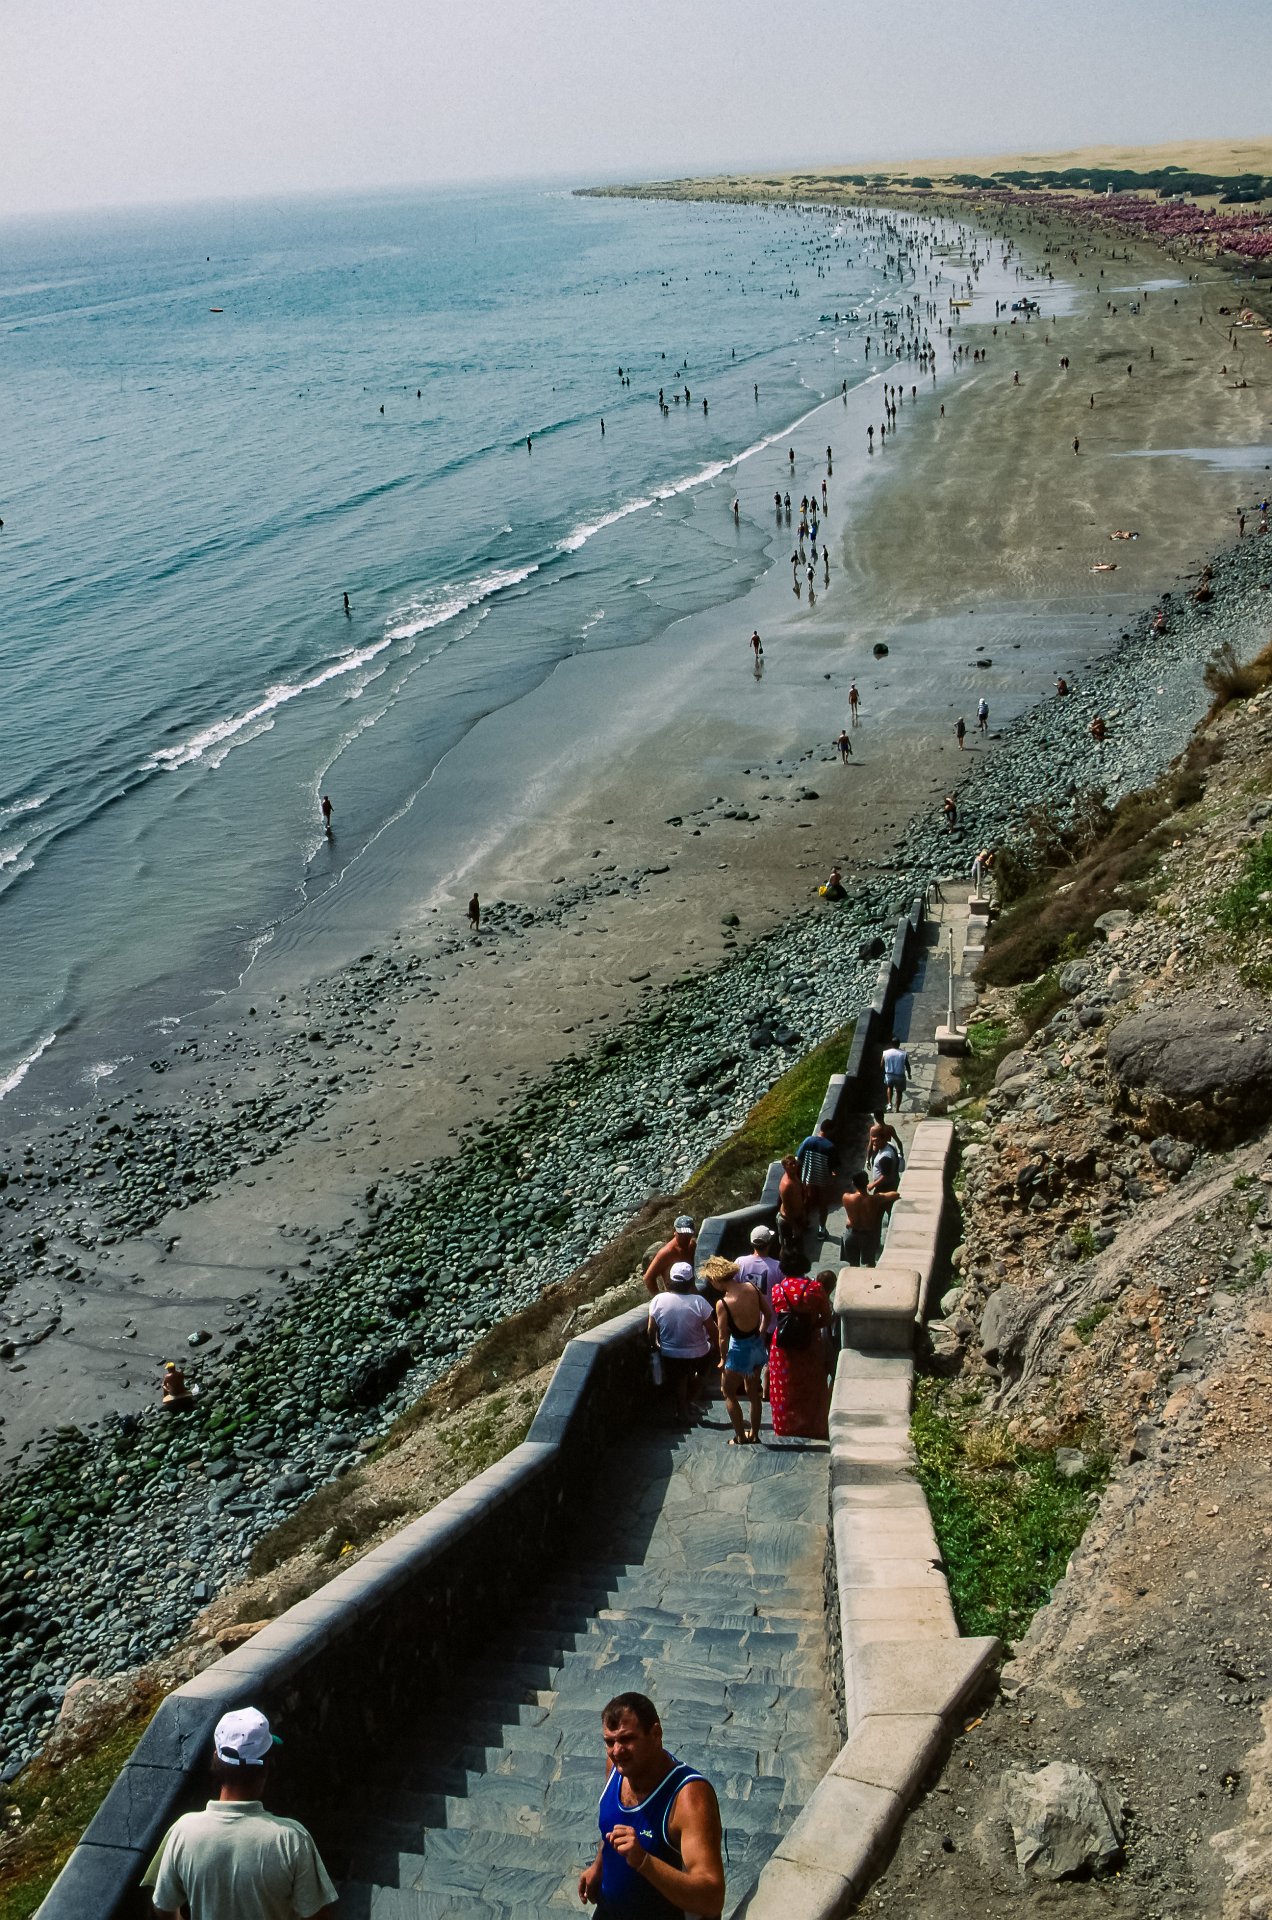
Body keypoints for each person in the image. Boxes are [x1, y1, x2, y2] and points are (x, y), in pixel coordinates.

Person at [146, 1707, 336, 1920]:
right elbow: (318, 1916)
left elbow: (163, 1906)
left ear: (216, 1758)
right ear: (265, 1768)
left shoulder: (183, 1832)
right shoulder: (291, 1839)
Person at [578, 1693, 725, 1919]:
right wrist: (598, 1866)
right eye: (609, 1742)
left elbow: (712, 1899)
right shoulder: (617, 1769)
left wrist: (645, 1861)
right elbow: (610, 1827)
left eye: (627, 1739)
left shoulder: (689, 1797)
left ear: (656, 1734)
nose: (617, 1751)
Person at [701, 1255, 769, 1444]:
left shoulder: (723, 1303)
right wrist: (762, 1332)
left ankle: (740, 1436)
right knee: (753, 1392)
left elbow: (723, 1336)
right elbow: (768, 1314)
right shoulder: (752, 1288)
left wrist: (723, 1359)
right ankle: (754, 1434)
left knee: (728, 1391)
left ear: (716, 1279)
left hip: (739, 1350)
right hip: (756, 1346)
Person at [768, 1261, 832, 1439]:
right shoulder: (815, 1288)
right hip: (809, 1343)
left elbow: (776, 1313)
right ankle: (812, 1425)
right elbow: (827, 1317)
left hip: (783, 1344)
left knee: (784, 1385)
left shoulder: (777, 1289)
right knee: (811, 1383)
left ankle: (784, 1425)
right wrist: (811, 1327)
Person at [647, 1263, 715, 1422]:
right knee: (703, 1372)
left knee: (679, 1378)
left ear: (670, 1280)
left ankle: (682, 1411)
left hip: (670, 1352)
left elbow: (651, 1329)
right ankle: (689, 1401)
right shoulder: (699, 1301)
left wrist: (655, 1345)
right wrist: (717, 1347)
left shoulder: (658, 1300)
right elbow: (712, 1330)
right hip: (699, 1351)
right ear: (691, 1281)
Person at [841, 1173, 899, 1267]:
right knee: (870, 1263)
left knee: (853, 1265)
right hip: (868, 1235)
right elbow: (895, 1194)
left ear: (853, 1183)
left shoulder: (846, 1197)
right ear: (867, 1182)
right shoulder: (875, 1199)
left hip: (852, 1233)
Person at [795, 1120, 837, 1234]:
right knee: (823, 1205)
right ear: (829, 1131)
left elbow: (799, 1159)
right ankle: (821, 1230)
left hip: (808, 1179)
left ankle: (804, 1223)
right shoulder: (830, 1147)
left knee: (807, 1201)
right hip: (823, 1181)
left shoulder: (808, 1140)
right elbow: (833, 1167)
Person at [642, 1216, 697, 1295]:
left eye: (687, 1234)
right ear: (675, 1232)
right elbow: (648, 1278)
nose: (684, 1237)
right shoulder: (666, 1253)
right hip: (674, 1295)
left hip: (692, 1293)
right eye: (681, 1234)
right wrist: (659, 1297)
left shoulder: (692, 1246)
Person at [733, 1224, 782, 1306]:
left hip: (746, 1313)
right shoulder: (778, 1266)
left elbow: (732, 1289)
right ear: (769, 1244)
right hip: (771, 1314)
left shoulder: (739, 1262)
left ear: (751, 1243)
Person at [776, 1155, 806, 1260]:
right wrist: (794, 1226)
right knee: (787, 1250)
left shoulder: (794, 1176)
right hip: (788, 1221)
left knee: (799, 1248)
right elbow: (787, 1209)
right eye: (790, 1164)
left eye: (794, 1162)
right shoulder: (786, 1185)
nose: (794, 1165)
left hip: (797, 1217)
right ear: (785, 1167)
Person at [882, 1035, 911, 1112]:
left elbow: (882, 1064)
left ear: (891, 1044)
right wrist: (909, 1074)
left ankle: (889, 1103)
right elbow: (907, 1065)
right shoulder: (903, 1054)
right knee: (899, 1092)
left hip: (889, 1075)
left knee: (889, 1087)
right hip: (900, 1075)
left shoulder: (885, 1053)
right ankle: (897, 1109)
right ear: (899, 1044)